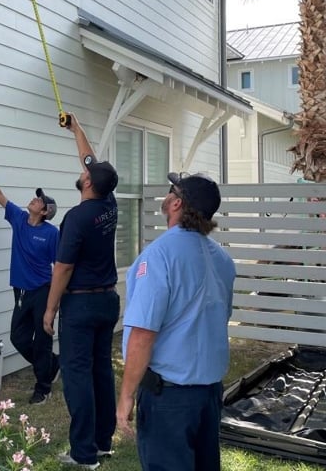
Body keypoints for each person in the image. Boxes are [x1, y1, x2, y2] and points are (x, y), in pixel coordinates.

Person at [116, 172, 235, 471]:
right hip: (208, 394)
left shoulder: (159, 255)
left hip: (169, 397)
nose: (166, 196)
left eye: (171, 191)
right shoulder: (221, 259)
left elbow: (143, 333)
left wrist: (127, 395)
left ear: (176, 203)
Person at [43, 113, 120, 470]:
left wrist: (49, 310)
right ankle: (103, 442)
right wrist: (76, 128)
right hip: (107, 301)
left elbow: (63, 269)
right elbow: (88, 159)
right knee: (100, 371)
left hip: (81, 306)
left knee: (77, 377)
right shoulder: (109, 203)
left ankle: (83, 454)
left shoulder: (76, 218)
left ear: (87, 182)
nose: (83, 169)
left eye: (86, 171)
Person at [0, 153, 60, 404]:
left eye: (39, 200)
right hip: (20, 292)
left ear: (45, 211)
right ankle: (52, 364)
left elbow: (60, 266)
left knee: (41, 339)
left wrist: (55, 301)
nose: (34, 199)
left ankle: (43, 387)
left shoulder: (51, 234)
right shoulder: (18, 219)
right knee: (18, 337)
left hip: (42, 290)